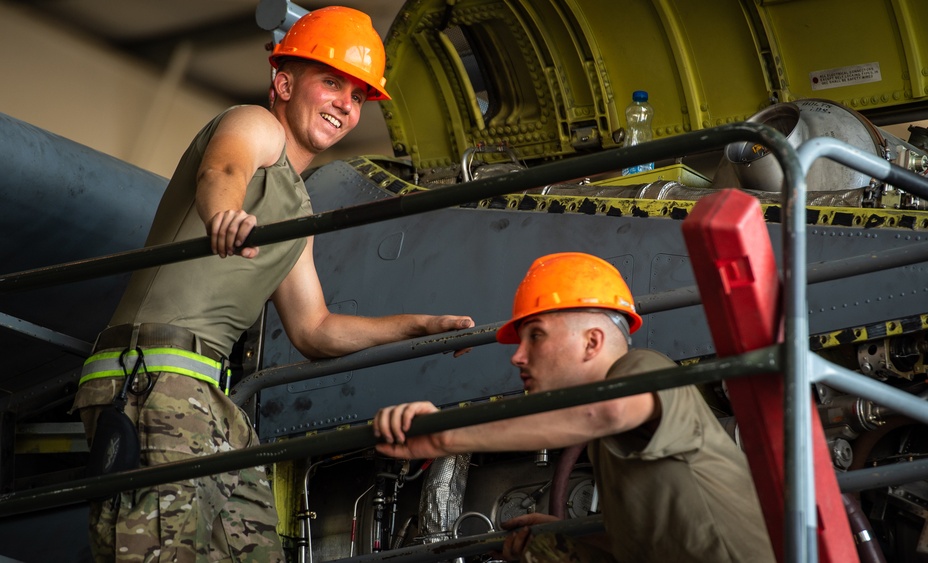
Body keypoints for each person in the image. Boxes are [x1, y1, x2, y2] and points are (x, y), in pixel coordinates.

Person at [71, 6, 474, 563]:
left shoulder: (299, 208)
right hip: (152, 374)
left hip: (208, 393)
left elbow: (316, 329)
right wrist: (223, 217)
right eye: (332, 82)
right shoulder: (254, 125)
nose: (345, 105)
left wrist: (418, 326)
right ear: (283, 83)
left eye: (358, 96)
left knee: (258, 549)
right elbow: (223, 171)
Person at [373, 252, 775, 563]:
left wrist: (446, 437)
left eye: (536, 336)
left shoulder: (642, 368)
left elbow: (608, 412)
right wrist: (568, 536)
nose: (518, 357)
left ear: (592, 342)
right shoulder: (603, 441)